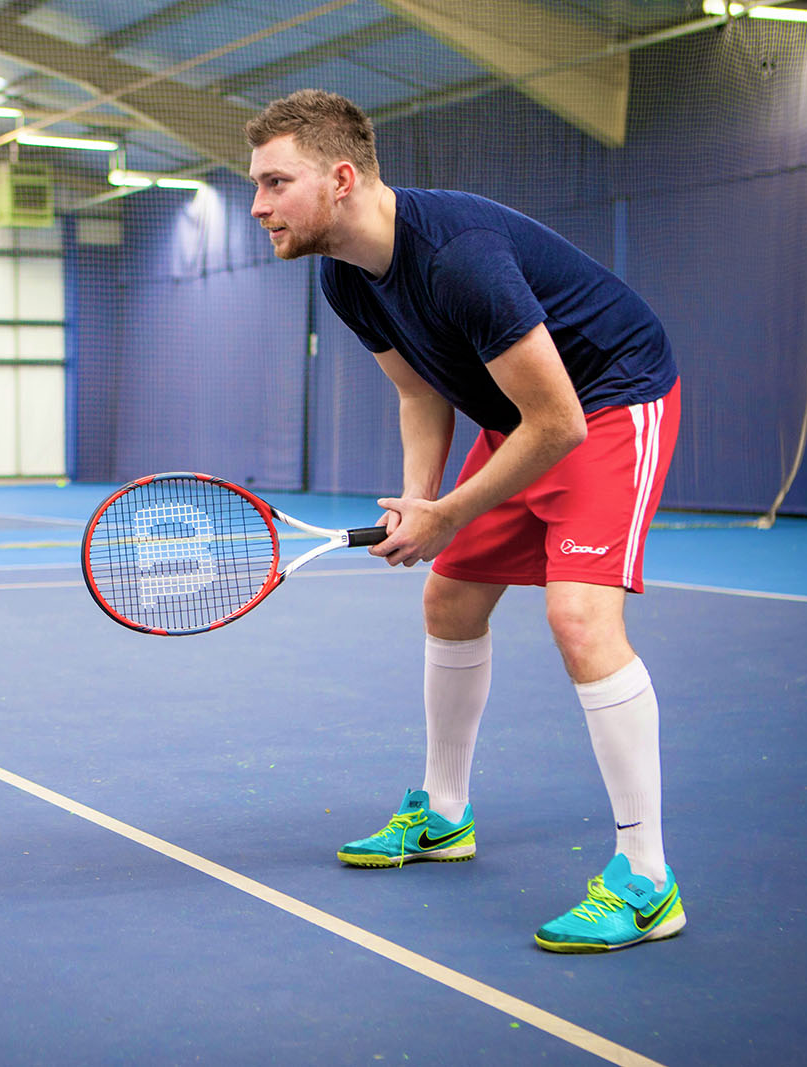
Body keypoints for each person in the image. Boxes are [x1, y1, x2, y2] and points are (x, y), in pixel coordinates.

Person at [246, 89, 684, 953]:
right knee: (449, 601)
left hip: (606, 401)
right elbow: (419, 390)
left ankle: (648, 878)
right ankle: (444, 816)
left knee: (580, 620)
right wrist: (420, 504)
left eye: (273, 182)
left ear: (340, 178)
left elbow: (558, 422)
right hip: (523, 414)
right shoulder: (347, 278)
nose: (257, 206)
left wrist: (450, 510)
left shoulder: (460, 259)